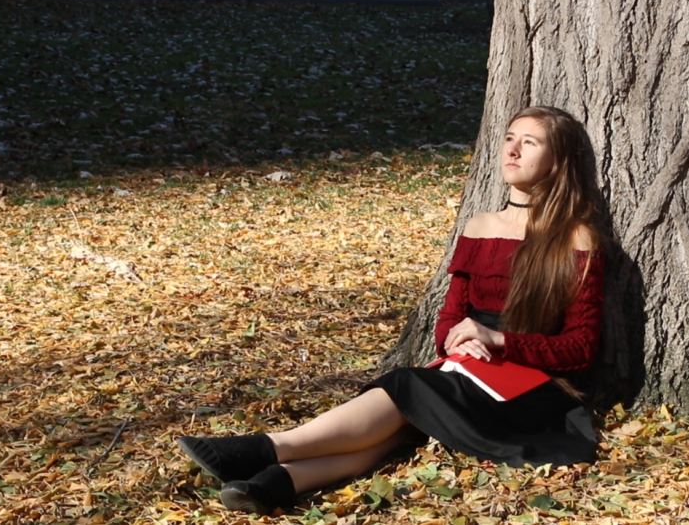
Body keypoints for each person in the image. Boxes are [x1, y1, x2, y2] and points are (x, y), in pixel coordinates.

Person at [177, 105, 605, 514]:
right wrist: (461, 342)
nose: (511, 151)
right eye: (509, 138)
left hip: (528, 388)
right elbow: (447, 322)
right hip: (466, 366)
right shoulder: (479, 227)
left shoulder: (575, 238)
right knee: (399, 428)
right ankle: (277, 483)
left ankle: (269, 447)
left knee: (405, 387)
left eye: (529, 143)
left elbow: (580, 348)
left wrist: (498, 339)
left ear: (557, 160)